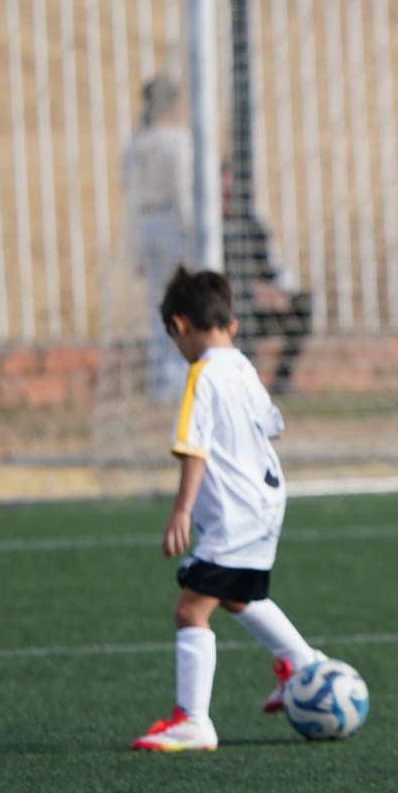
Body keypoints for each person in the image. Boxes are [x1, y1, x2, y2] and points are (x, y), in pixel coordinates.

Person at [132, 267, 325, 753]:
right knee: (239, 596)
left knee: (190, 610)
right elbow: (274, 425)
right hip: (267, 502)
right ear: (232, 324)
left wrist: (181, 511)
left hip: (235, 514)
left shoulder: (202, 375)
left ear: (179, 326)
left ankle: (193, 721)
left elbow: (193, 448)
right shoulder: (242, 366)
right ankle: (305, 666)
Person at [122, 74, 193, 402]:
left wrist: (136, 249)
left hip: (146, 226)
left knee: (157, 307)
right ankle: (178, 378)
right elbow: (183, 191)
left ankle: (161, 381)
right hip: (172, 224)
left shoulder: (135, 144)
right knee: (183, 304)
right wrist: (191, 237)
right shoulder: (178, 141)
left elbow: (130, 198)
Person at [223, 165, 314, 396]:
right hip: (225, 310)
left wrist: (279, 293)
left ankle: (281, 380)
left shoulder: (254, 226)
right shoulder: (208, 231)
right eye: (224, 193)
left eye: (232, 192)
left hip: (255, 306)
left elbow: (274, 270)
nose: (228, 198)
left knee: (303, 304)